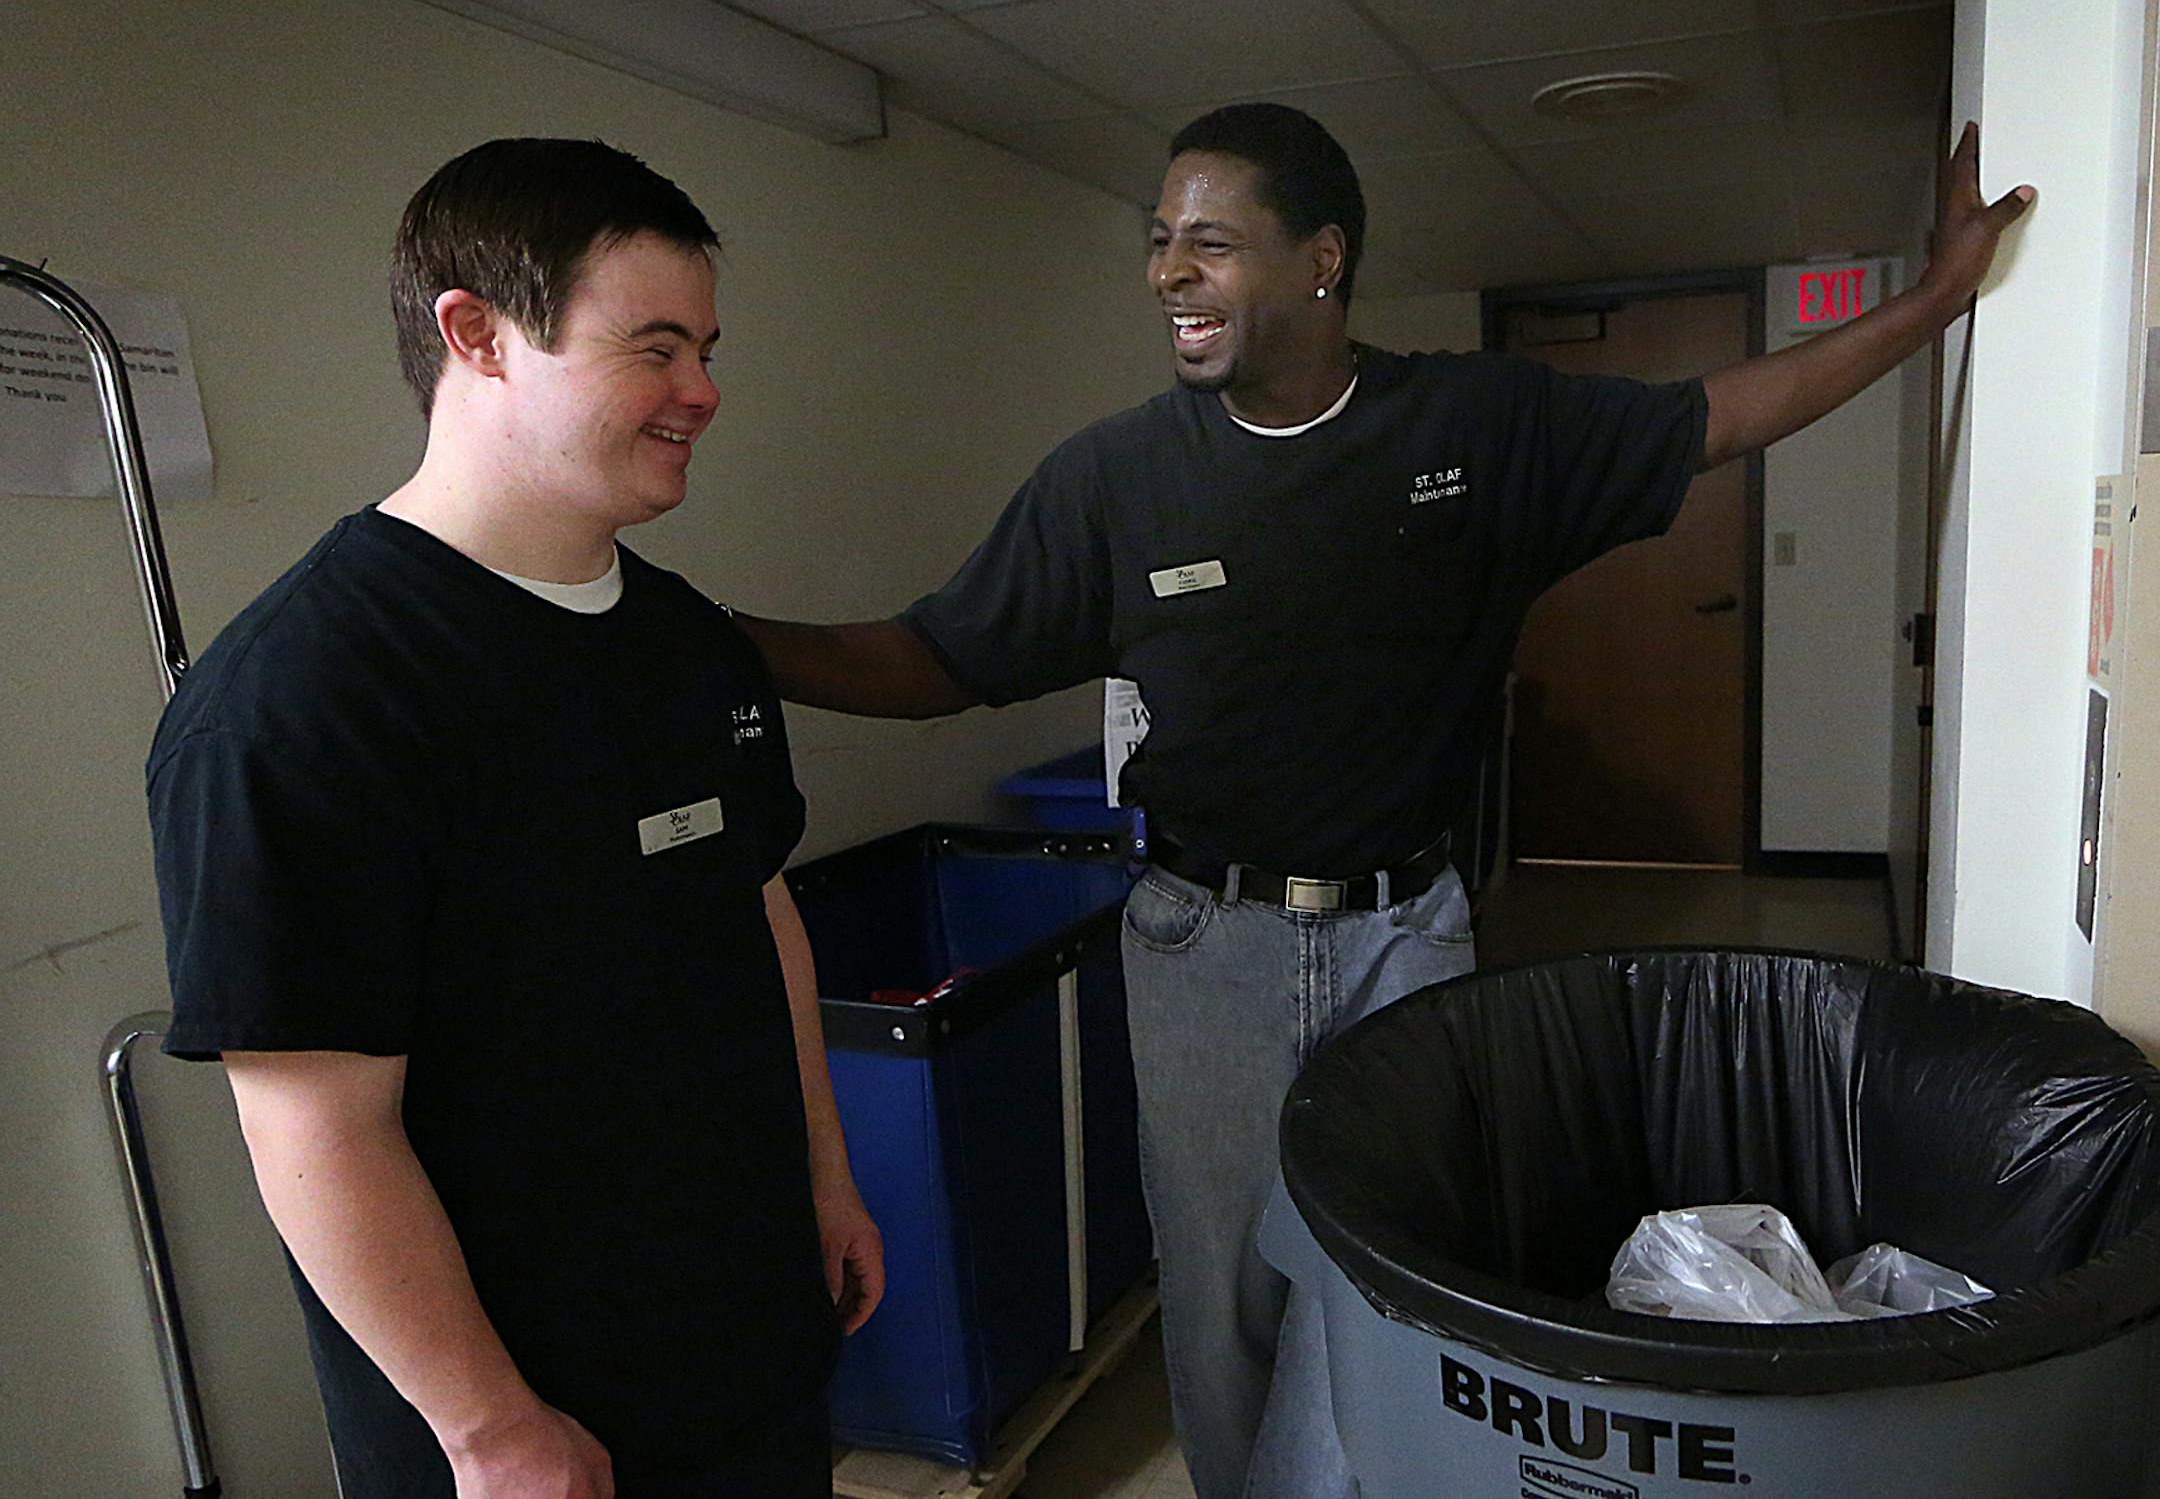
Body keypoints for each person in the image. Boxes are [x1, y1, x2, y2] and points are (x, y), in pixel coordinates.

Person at [734, 104, 2032, 1499]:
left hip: (1410, 935)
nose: (1171, 272)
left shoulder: (1475, 423)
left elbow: (1716, 417)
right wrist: (712, 639)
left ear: (1322, 262)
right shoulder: (1117, 480)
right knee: (1226, 1288)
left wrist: (1935, 300)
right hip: (1200, 945)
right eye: (1161, 243)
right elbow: (936, 658)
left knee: (1390, 1274)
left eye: (1212, 242)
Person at [145, 137, 882, 1499]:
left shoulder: (689, 645)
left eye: (708, 349)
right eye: (653, 349)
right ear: (477, 335)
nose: (702, 393)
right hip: (525, 1425)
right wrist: (487, 1428)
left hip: (746, 1348)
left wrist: (823, 1183)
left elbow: (757, 908)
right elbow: (313, 1125)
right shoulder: (304, 701)